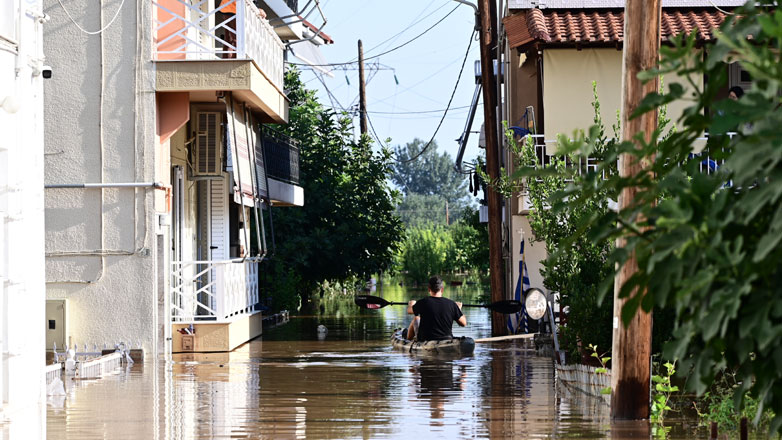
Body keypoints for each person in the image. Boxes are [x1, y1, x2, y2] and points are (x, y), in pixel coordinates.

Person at [406, 276, 467, 341]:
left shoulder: (423, 302)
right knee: (417, 318)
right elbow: (463, 323)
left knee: (416, 318)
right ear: (442, 289)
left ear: (429, 289)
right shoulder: (452, 304)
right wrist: (458, 309)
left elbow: (409, 311)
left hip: (425, 340)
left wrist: (411, 304)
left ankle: (408, 341)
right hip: (447, 339)